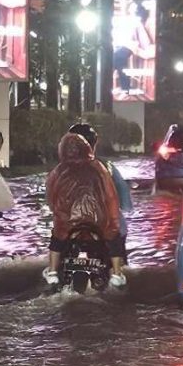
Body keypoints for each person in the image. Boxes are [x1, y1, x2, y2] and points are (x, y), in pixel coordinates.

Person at [43, 132, 126, 288]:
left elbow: (51, 196)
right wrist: (113, 222)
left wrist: (59, 215)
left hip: (68, 223)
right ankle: (116, 273)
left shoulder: (58, 171)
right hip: (99, 222)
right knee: (114, 238)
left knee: (57, 239)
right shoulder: (99, 168)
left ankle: (52, 272)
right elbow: (111, 197)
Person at [67, 122, 132, 256]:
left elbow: (51, 199)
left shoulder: (62, 170)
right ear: (94, 144)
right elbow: (125, 200)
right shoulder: (107, 167)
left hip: (72, 229)